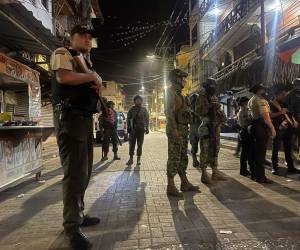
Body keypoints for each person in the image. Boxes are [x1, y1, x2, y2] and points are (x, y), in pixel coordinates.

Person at [50, 24, 106, 250]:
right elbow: (64, 78)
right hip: (70, 120)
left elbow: (95, 87)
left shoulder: (85, 62)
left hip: (83, 121)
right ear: (70, 38)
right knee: (74, 175)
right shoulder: (63, 54)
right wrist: (91, 76)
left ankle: (79, 215)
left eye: (89, 37)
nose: (87, 39)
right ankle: (71, 230)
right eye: (82, 36)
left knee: (84, 173)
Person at [165, 69, 199, 198]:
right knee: (174, 156)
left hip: (184, 128)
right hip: (176, 129)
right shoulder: (170, 93)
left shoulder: (182, 94)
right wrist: (175, 130)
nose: (185, 80)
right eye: (183, 78)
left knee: (183, 156)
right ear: (176, 79)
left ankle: (184, 182)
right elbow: (169, 113)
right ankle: (170, 186)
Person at [195, 79, 227, 185]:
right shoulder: (202, 96)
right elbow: (198, 111)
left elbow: (218, 109)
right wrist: (209, 107)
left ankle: (215, 172)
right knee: (204, 150)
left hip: (215, 126)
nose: (213, 88)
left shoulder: (214, 96)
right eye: (211, 86)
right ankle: (204, 174)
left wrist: (222, 116)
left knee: (215, 149)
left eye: (214, 86)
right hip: (206, 126)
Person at [248, 84, 276, 183]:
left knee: (254, 152)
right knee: (260, 154)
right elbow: (266, 117)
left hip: (253, 127)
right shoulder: (261, 100)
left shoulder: (251, 99)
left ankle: (254, 174)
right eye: (263, 89)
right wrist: (272, 129)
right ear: (259, 90)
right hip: (260, 128)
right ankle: (261, 177)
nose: (265, 91)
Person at [271, 86, 300, 174]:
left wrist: (294, 121)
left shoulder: (284, 103)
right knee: (276, 148)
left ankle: (290, 167)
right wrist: (281, 112)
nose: (285, 96)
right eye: (283, 94)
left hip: (288, 129)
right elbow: (271, 115)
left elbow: (289, 114)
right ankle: (274, 168)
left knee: (288, 148)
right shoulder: (271, 103)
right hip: (278, 128)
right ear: (278, 94)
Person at [126, 95, 149, 165]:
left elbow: (147, 119)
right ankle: (131, 159)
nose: (138, 101)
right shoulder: (131, 109)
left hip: (141, 130)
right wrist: (128, 127)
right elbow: (128, 119)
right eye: (137, 100)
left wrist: (147, 128)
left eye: (139, 100)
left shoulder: (144, 110)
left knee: (140, 145)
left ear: (141, 101)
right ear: (134, 101)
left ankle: (138, 159)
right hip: (133, 130)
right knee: (132, 145)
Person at [285, 78, 300, 173]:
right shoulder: (290, 94)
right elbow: (287, 108)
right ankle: (289, 159)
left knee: (294, 140)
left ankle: (295, 158)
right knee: (292, 140)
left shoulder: (289, 94)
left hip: (295, 119)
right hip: (293, 120)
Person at [236, 96, 253, 176]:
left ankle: (244, 170)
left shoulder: (245, 110)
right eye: (246, 101)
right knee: (245, 153)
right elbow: (248, 120)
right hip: (245, 132)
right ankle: (243, 170)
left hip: (245, 131)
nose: (248, 103)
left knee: (246, 152)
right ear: (243, 103)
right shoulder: (243, 111)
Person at [189, 93, 201, 167]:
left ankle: (195, 160)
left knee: (194, 145)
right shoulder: (198, 107)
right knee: (202, 145)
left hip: (193, 128)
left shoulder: (189, 108)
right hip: (198, 127)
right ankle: (197, 161)